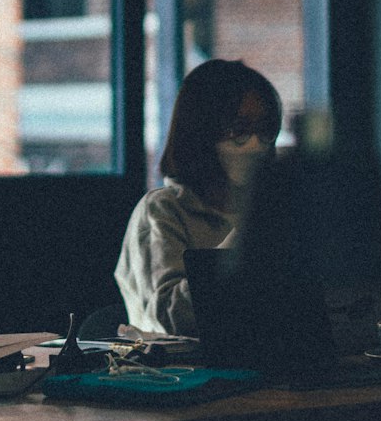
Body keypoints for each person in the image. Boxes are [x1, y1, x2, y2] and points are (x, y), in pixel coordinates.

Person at [114, 58, 283, 335]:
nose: (255, 144)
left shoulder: (278, 210)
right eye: (238, 130)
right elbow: (169, 317)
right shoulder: (162, 211)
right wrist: (242, 242)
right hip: (178, 372)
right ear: (201, 132)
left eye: (264, 130)